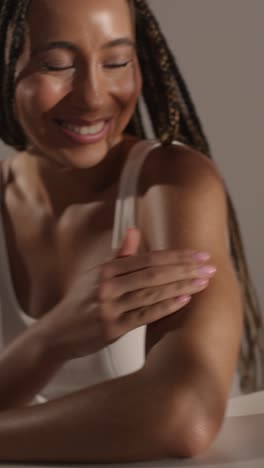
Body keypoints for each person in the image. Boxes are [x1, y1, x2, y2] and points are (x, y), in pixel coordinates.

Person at [0, 0, 262, 463]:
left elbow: (184, 416)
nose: (94, 97)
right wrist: (52, 339)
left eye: (117, 61)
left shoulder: (171, 183)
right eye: (56, 65)